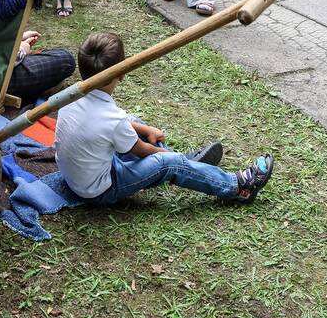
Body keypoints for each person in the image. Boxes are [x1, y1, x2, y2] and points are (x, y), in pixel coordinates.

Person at [55, 32, 275, 205]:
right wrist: (175, 159)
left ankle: (190, 166)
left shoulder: (69, 95)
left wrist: (146, 128)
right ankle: (237, 187)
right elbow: (141, 150)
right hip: (99, 190)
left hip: (78, 175)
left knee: (132, 120)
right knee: (168, 163)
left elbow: (110, 126)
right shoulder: (112, 119)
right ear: (121, 72)